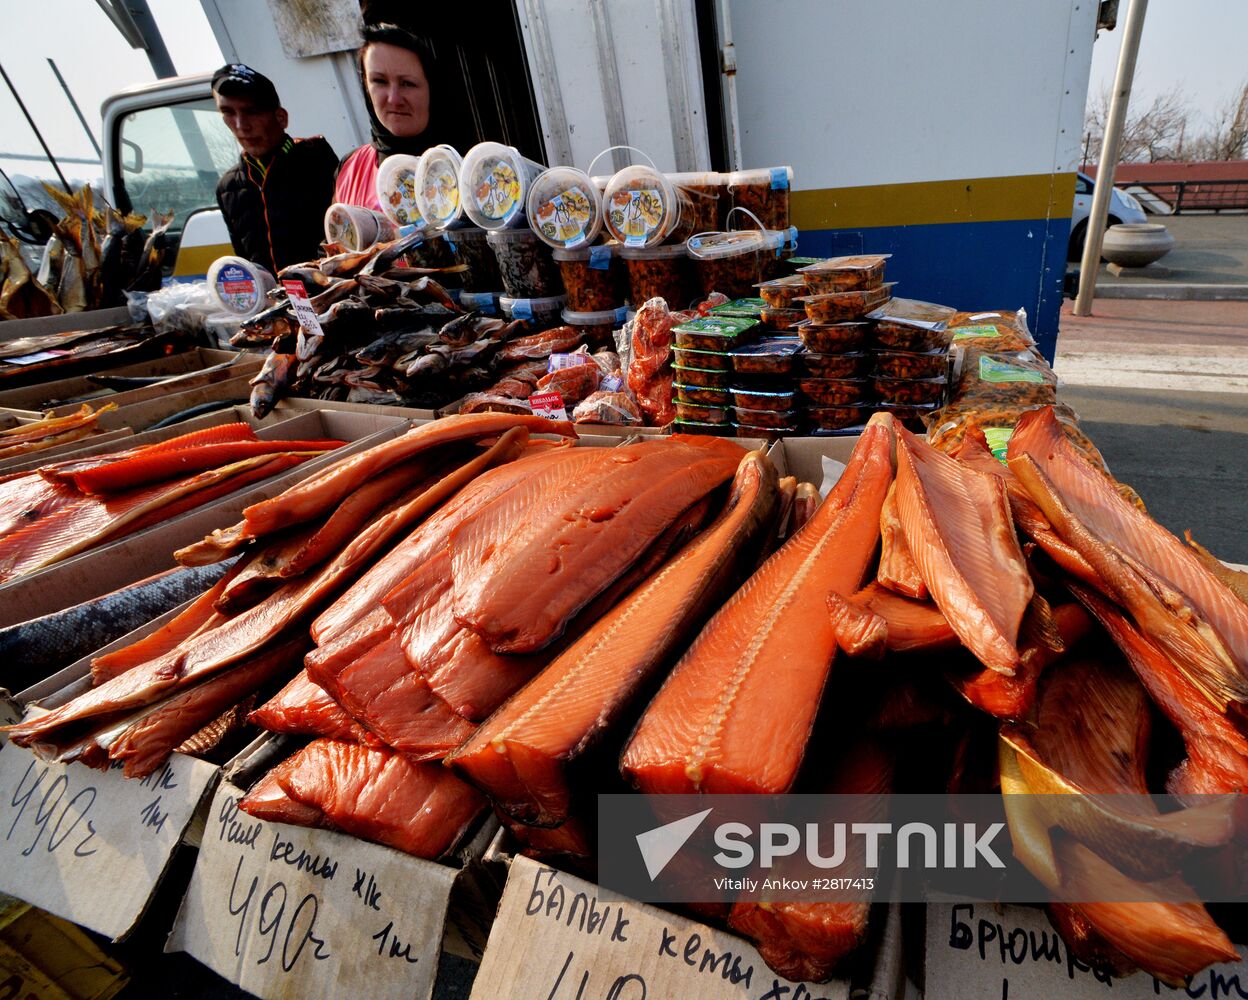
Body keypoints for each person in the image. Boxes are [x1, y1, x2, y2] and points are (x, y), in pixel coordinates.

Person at [213, 64, 338, 274]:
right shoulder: (227, 187)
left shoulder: (317, 159)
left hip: (330, 300)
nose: (241, 125)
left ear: (281, 117)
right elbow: (247, 266)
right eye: (228, 113)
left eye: (251, 112)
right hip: (274, 305)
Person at [335, 19, 465, 211]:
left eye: (407, 83)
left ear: (433, 88)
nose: (393, 99)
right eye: (379, 81)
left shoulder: (472, 168)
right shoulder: (350, 170)